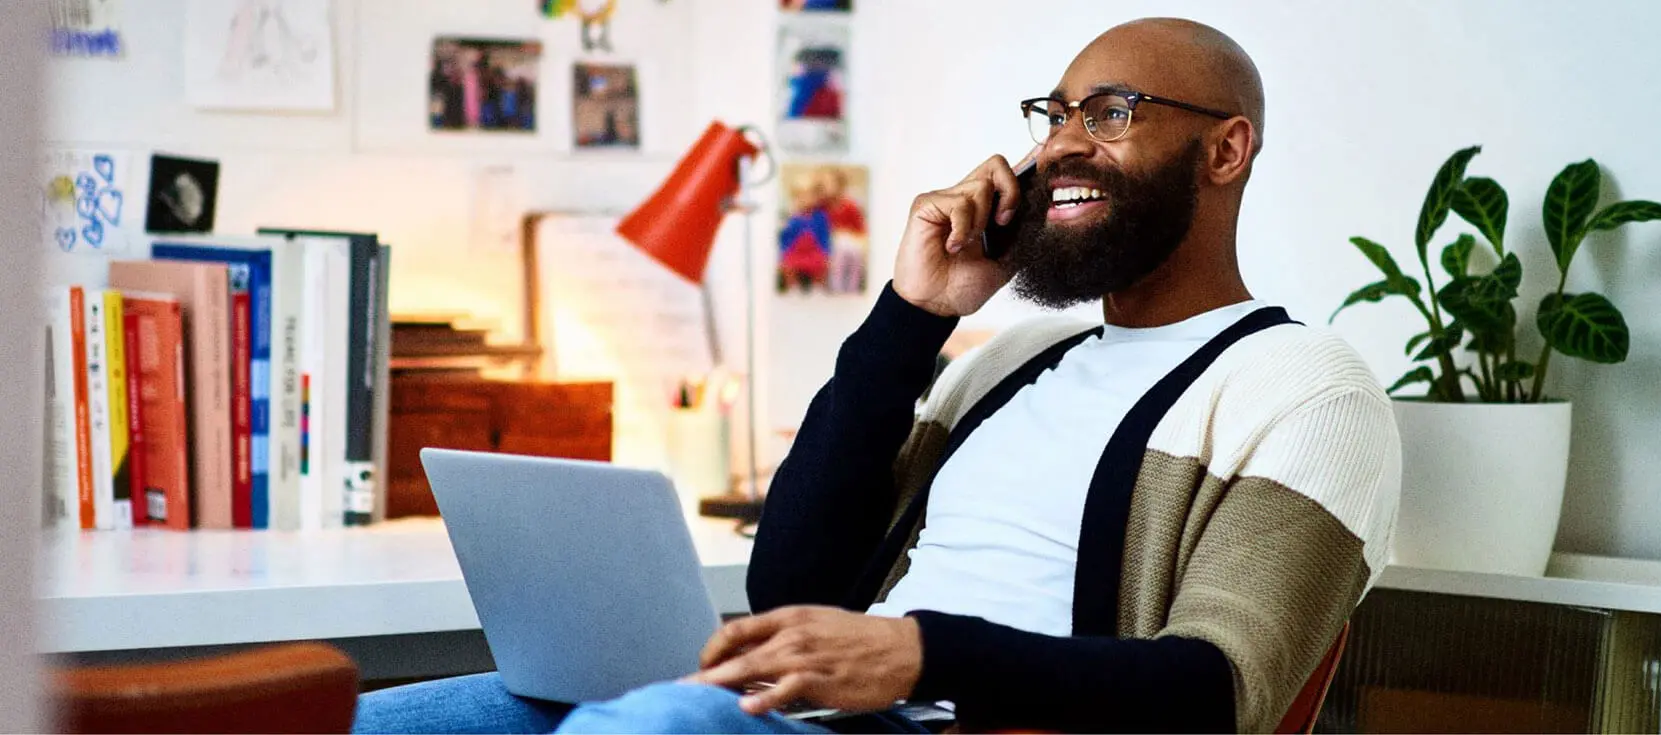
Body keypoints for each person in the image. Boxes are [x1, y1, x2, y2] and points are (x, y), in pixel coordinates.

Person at [354, 17, 1399, 735]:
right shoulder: (1009, 359)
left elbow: (1223, 690)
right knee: (373, 716)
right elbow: (792, 581)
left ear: (1227, 151)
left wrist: (917, 656)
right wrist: (912, 316)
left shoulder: (1304, 387)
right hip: (818, 713)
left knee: (666, 720)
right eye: (1056, 115)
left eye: (1113, 113)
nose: (1062, 149)